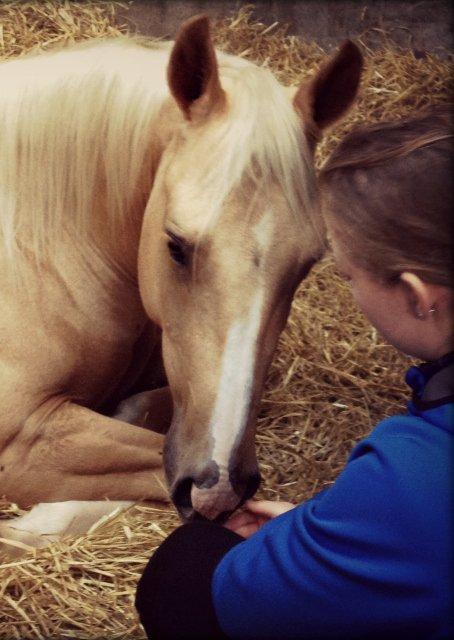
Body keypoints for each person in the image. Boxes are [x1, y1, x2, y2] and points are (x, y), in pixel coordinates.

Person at [135, 105, 453, 639]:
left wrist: (323, 538)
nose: (348, 293)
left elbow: (191, 592)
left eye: (347, 276)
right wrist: (320, 535)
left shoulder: (413, 471)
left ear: (419, 298)